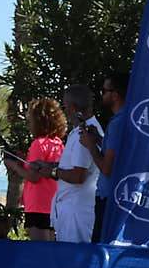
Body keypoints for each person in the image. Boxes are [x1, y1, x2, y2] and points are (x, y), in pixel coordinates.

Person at [3, 98, 65, 242]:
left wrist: (13, 166)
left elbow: (33, 177)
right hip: (53, 204)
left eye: (30, 121)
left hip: (38, 205)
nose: (28, 125)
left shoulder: (38, 144)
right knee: (51, 247)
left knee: (39, 249)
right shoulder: (58, 143)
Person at [48, 85, 102, 243]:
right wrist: (51, 166)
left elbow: (79, 175)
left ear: (72, 108)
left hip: (76, 213)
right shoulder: (82, 131)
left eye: (64, 106)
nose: (64, 111)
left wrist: (53, 172)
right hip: (73, 210)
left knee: (73, 263)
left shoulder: (84, 134)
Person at [91, 72, 129, 235]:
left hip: (108, 197)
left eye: (104, 91)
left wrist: (90, 145)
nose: (102, 94)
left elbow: (107, 168)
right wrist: (99, 139)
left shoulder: (118, 123)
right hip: (119, 195)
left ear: (115, 95)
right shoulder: (128, 118)